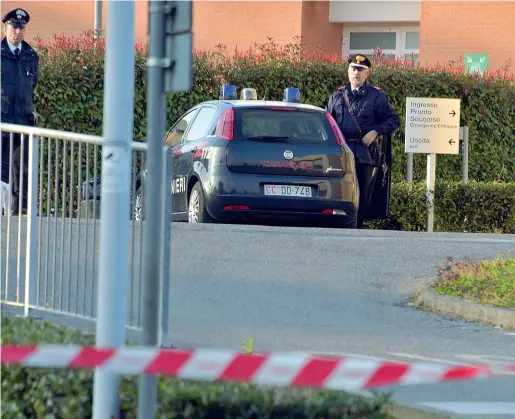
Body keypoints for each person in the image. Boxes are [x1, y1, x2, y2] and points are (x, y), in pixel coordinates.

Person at [326, 54, 399, 228]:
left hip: (363, 153)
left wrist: (375, 132)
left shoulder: (376, 96)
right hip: (341, 152)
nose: (356, 73)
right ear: (348, 71)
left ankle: (357, 229)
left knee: (361, 195)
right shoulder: (337, 96)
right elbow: (328, 123)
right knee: (339, 191)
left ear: (367, 74)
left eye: (360, 70)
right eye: (353, 69)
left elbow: (393, 120)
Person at [1, 7, 39, 215]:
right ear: (6, 28)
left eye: (21, 28)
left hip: (22, 122)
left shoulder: (30, 55)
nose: (18, 32)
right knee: (1, 168)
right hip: (2, 120)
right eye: (14, 27)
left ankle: (20, 211)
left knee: (21, 169)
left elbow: (32, 84)